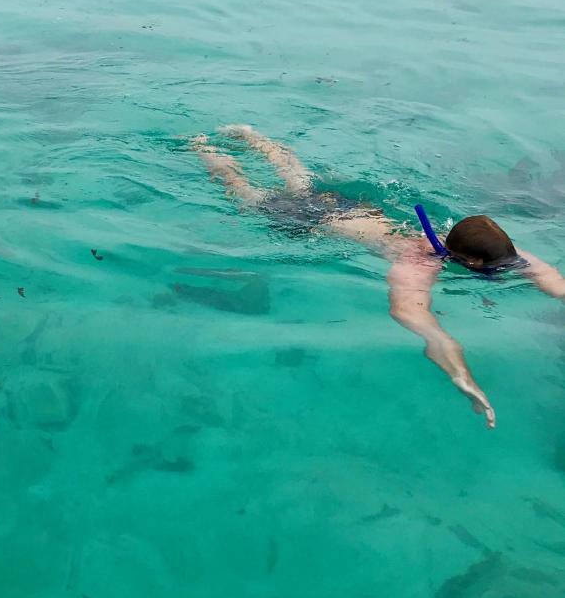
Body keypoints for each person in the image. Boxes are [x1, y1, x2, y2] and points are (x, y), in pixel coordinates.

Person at [192, 125, 565, 429]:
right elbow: (414, 318)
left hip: (352, 210)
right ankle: (205, 149)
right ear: (467, 257)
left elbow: (550, 279)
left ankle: (251, 135)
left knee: (300, 182)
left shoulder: (500, 250)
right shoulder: (416, 262)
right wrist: (461, 377)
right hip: (310, 223)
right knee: (246, 194)